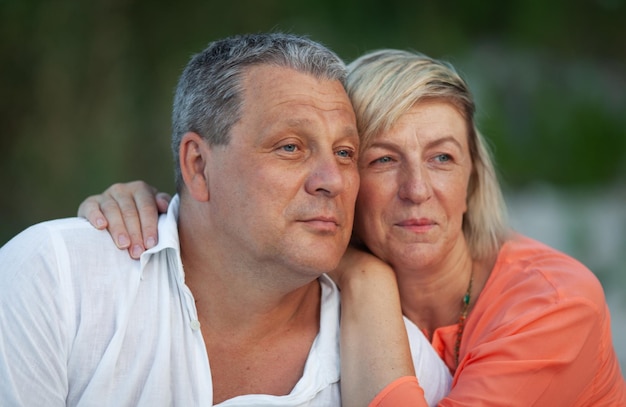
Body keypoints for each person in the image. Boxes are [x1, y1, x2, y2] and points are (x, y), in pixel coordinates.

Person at [81, 48, 626, 406]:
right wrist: (158, 207)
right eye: (383, 160)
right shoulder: (308, 291)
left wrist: (365, 279)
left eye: (442, 159)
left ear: (473, 181)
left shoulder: (555, 305)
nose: (417, 189)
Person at [0, 34, 453, 406]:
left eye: (345, 152)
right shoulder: (58, 281)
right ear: (198, 165)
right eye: (290, 147)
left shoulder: (402, 364)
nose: (332, 180)